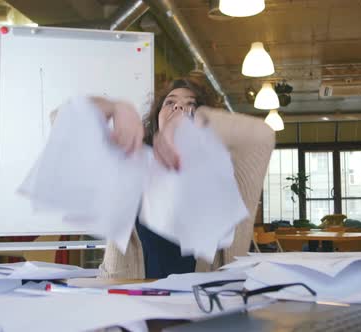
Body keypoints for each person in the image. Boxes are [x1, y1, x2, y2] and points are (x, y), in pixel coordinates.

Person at [94, 77, 275, 279]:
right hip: (131, 301)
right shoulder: (131, 163)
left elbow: (263, 136)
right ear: (157, 118)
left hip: (205, 304)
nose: (179, 107)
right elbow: (59, 120)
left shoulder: (229, 173)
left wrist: (194, 122)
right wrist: (112, 107)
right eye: (170, 102)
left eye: (192, 104)